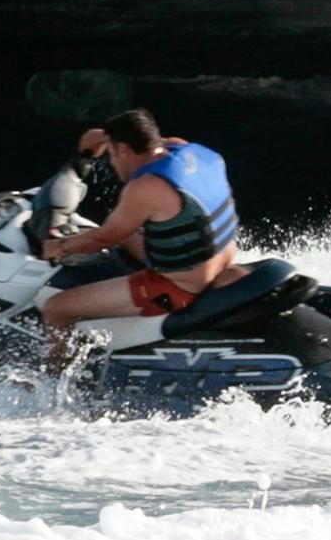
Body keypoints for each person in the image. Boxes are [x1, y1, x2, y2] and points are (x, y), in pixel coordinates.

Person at [38, 108, 244, 361]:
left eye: (112, 153)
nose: (112, 162)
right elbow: (153, 141)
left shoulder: (145, 187)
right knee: (129, 233)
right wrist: (105, 138)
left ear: (124, 150)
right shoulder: (186, 149)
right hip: (219, 258)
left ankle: (49, 381)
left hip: (178, 290)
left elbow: (104, 238)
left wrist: (56, 248)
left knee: (57, 308)